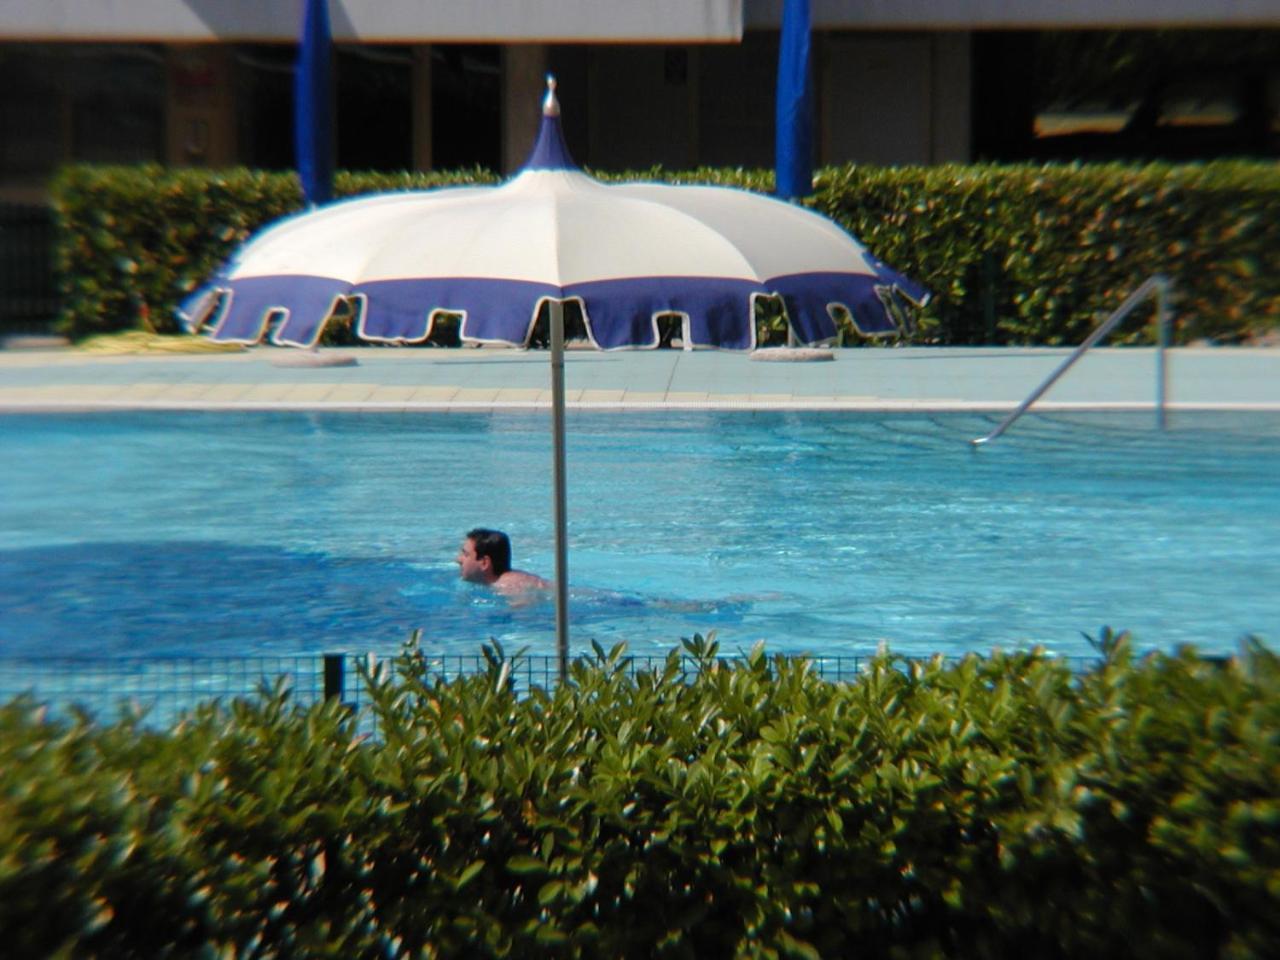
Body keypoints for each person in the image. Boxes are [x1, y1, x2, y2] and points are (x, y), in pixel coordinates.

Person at [455, 528, 550, 597]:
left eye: (466, 554)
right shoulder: (507, 581)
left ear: (484, 563)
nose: (458, 559)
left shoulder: (511, 586)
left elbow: (525, 618)